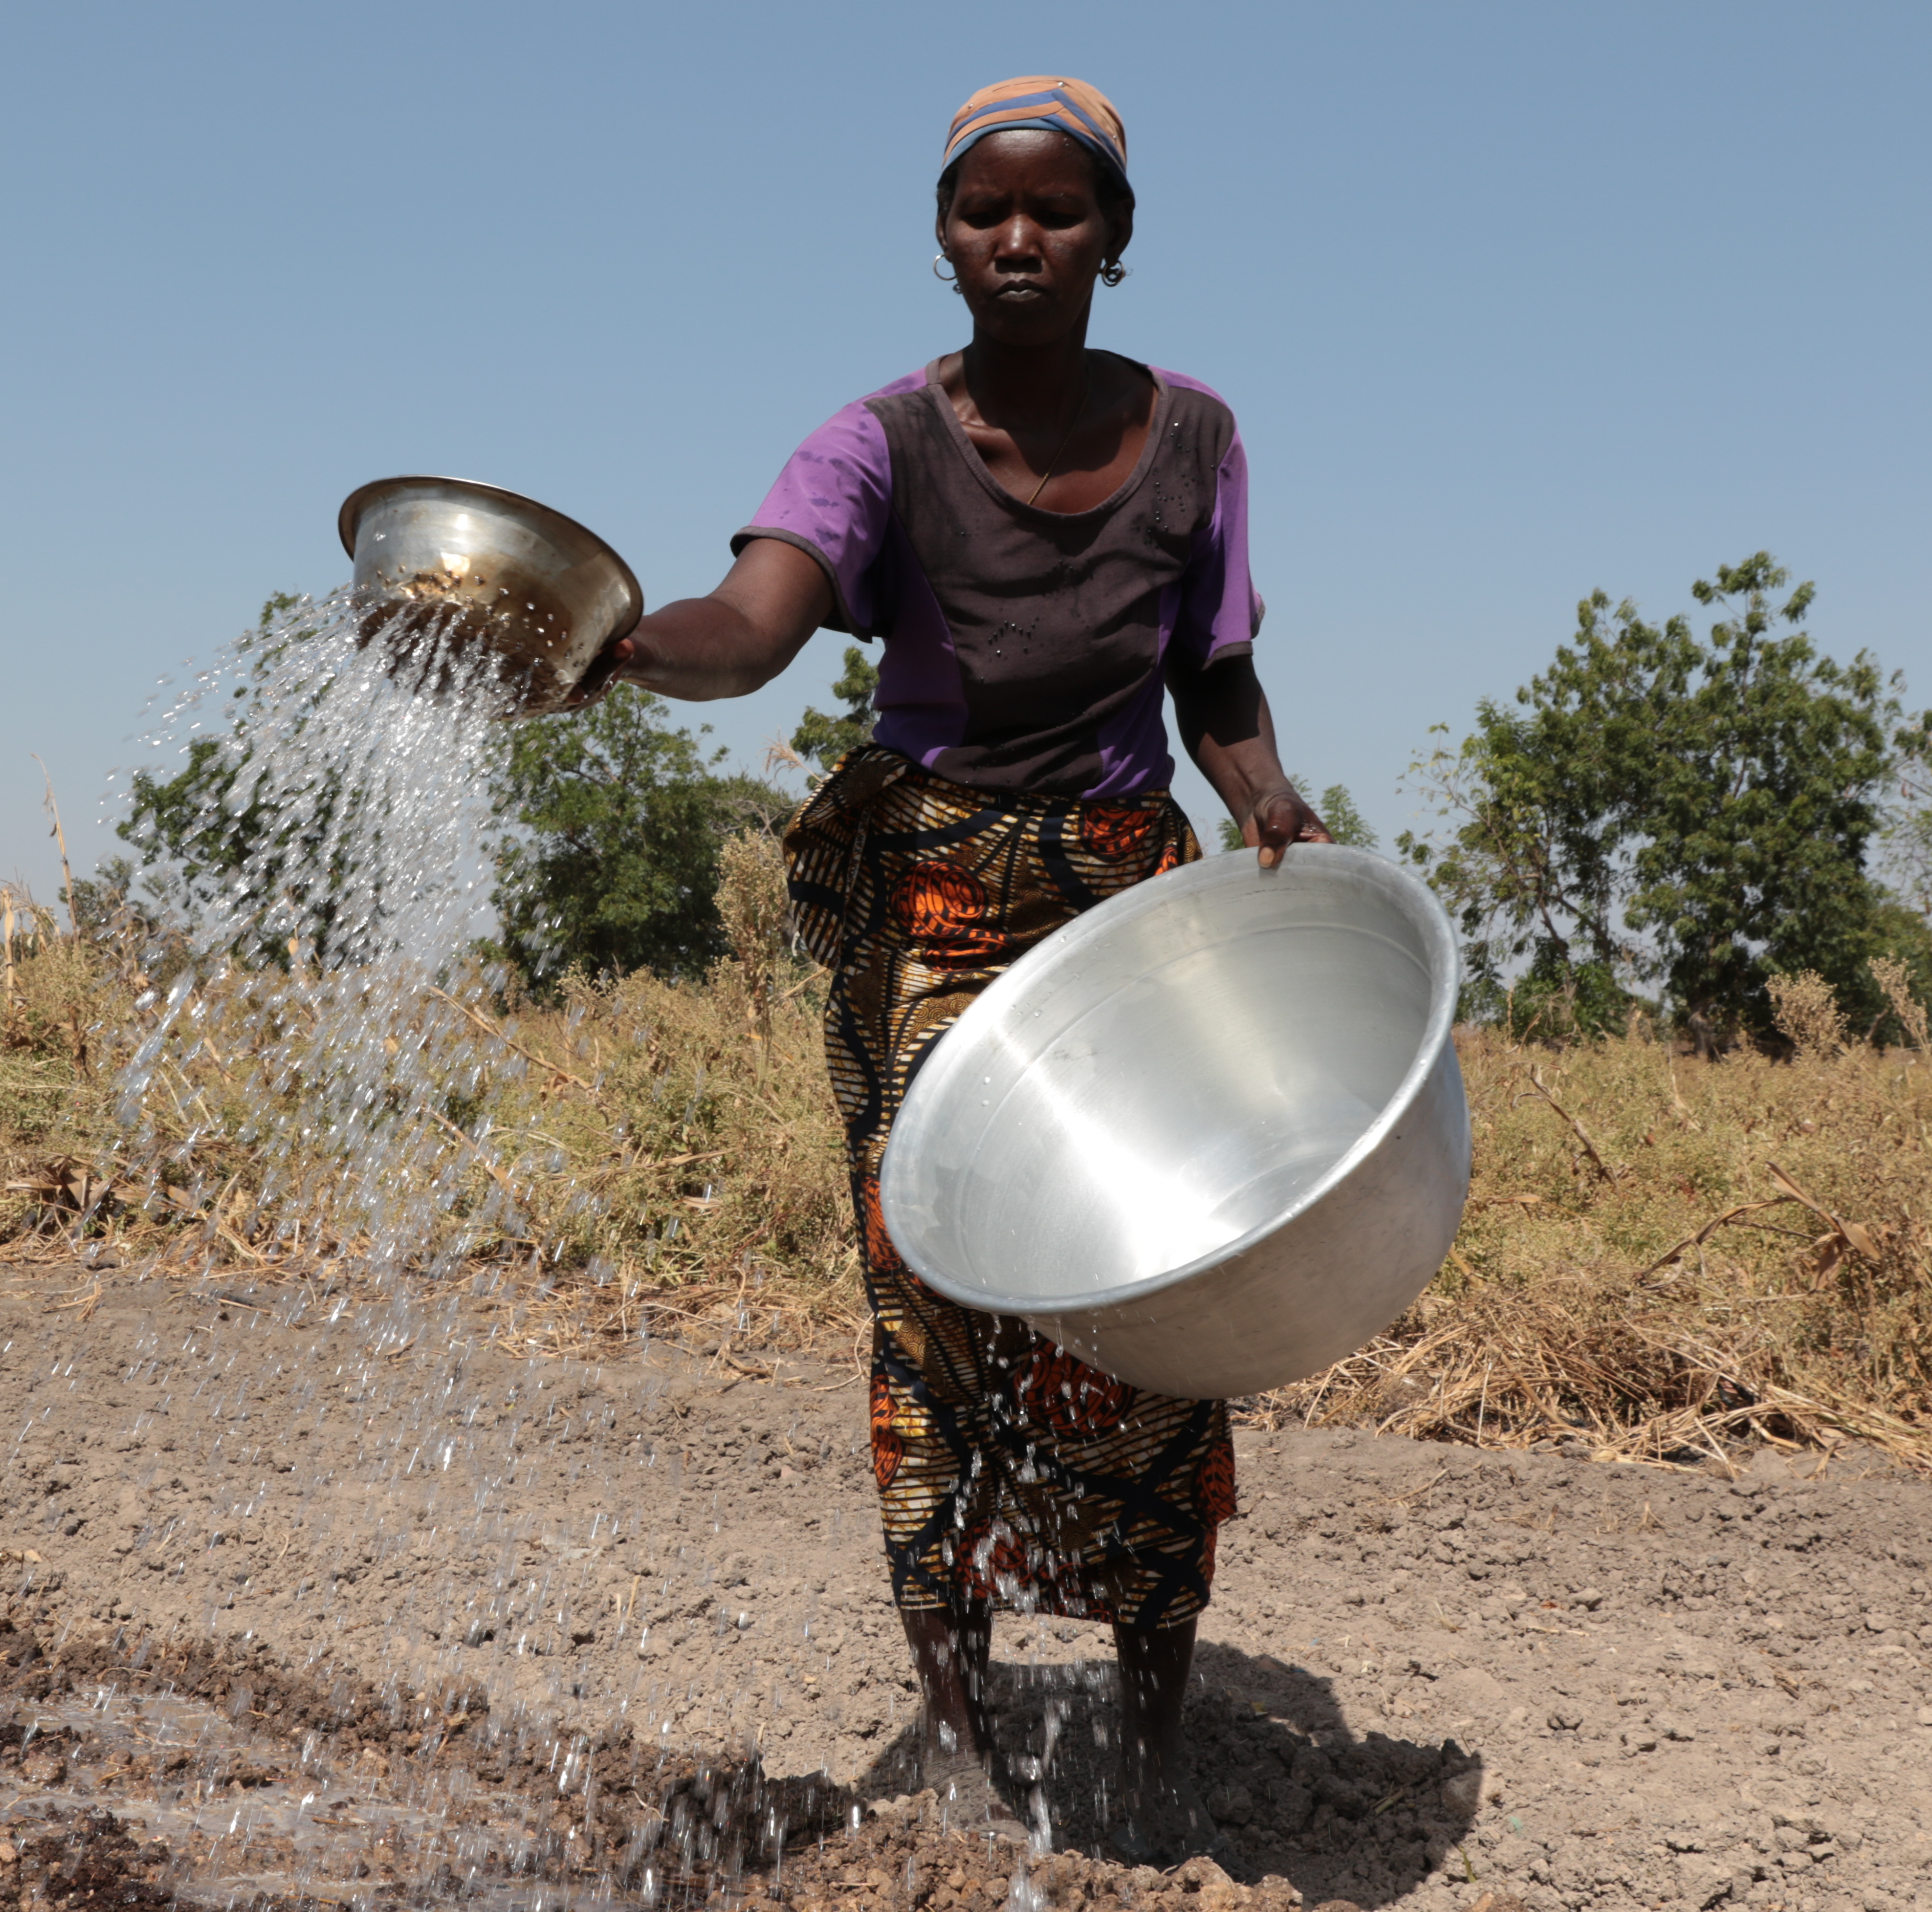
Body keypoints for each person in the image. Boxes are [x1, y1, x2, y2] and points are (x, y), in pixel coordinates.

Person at [582, 75, 1329, 1860]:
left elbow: (1207, 669)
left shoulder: (1201, 441)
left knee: (1150, 1294)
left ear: (1116, 242)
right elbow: (750, 628)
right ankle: (960, 1734)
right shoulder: (875, 445)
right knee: (934, 1303)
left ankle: (1153, 1731)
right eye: (984, 211)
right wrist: (615, 649)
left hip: (1124, 912)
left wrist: (1268, 797)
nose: (1019, 238)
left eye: (1059, 212)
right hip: (927, 907)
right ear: (941, 236)